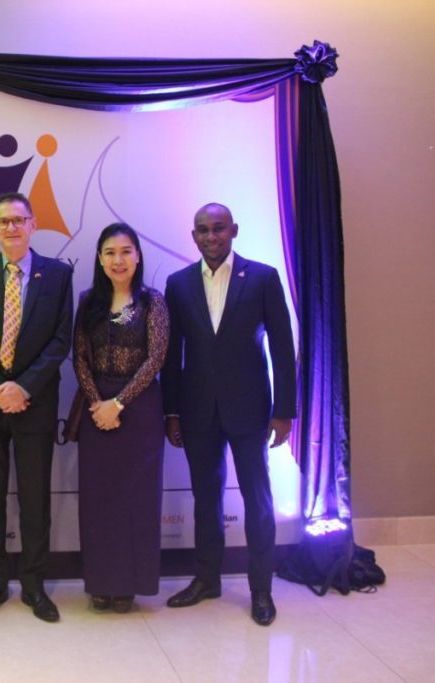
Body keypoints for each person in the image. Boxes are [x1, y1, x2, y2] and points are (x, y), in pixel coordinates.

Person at [162, 202, 296, 627]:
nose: (211, 237)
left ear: (234, 230)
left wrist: (285, 412)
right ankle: (207, 579)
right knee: (206, 499)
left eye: (218, 228)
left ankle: (261, 590)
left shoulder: (262, 278)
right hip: (198, 409)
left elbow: (282, 349)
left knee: (257, 501)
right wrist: (171, 411)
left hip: (250, 409)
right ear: (194, 235)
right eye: (202, 230)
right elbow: (171, 356)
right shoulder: (178, 284)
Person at [0, 191, 73, 623]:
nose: (11, 227)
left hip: (35, 404)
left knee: (34, 499)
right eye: (2, 221)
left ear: (33, 223)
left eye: (18, 220)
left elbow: (61, 340)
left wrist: (22, 387)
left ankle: (34, 585)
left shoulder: (58, 275)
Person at [72, 223, 169, 614]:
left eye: (126, 251)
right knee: (99, 501)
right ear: (99, 258)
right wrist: (99, 404)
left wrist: (119, 403)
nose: (118, 259)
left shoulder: (153, 302)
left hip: (141, 410)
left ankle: (129, 584)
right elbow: (79, 358)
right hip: (96, 412)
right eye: (110, 252)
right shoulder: (87, 301)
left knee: (136, 499)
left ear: (138, 256)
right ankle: (100, 583)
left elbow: (156, 358)